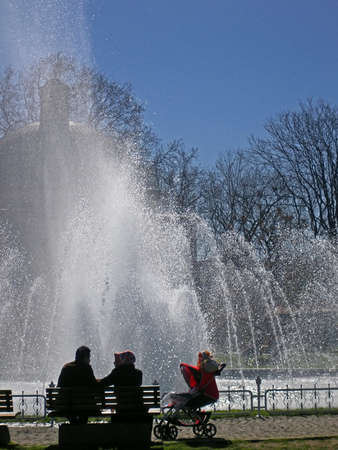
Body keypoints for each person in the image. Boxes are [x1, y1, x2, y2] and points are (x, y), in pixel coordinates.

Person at [57, 346, 98, 424]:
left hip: (66, 406)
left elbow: (59, 385)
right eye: (89, 357)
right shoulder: (87, 368)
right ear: (85, 357)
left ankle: (74, 423)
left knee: (76, 408)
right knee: (84, 408)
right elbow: (94, 385)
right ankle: (81, 426)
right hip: (85, 406)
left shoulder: (66, 367)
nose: (90, 360)